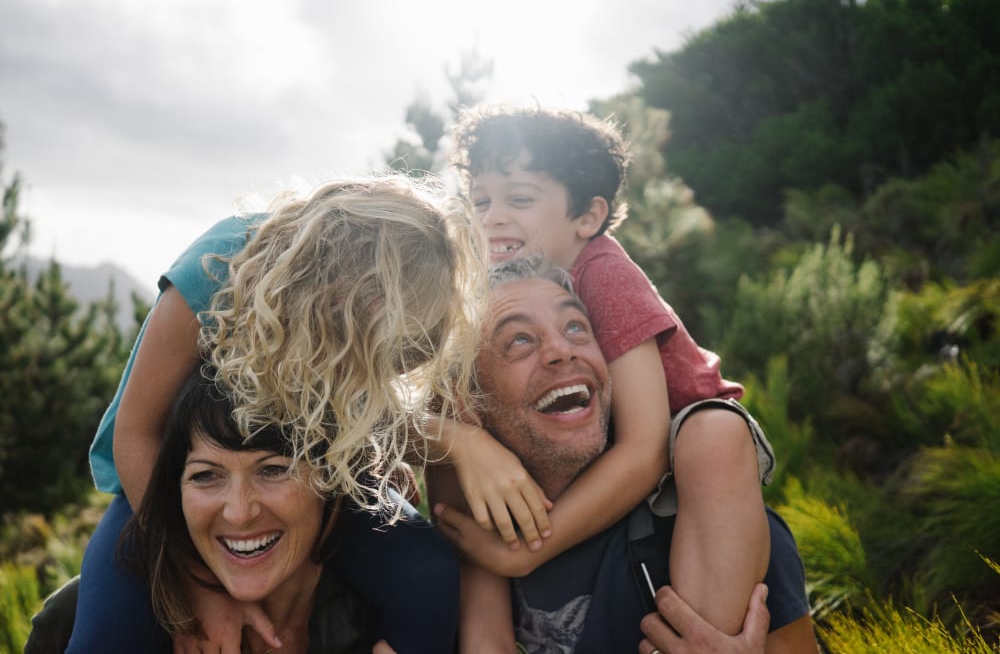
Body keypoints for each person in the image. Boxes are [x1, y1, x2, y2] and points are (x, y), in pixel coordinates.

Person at [67, 176, 484, 654]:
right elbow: (137, 436)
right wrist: (200, 588)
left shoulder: (391, 318)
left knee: (426, 572)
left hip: (308, 480)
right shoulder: (218, 266)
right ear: (334, 278)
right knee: (104, 638)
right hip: (168, 489)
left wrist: (381, 463)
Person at [439, 105, 773, 642]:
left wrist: (528, 553)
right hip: (631, 452)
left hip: (692, 443)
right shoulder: (493, 292)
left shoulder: (604, 274)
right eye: (481, 201)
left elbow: (645, 449)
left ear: (587, 217)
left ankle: (701, 637)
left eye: (519, 199)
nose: (491, 218)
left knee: (711, 438)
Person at [434, 258, 818, 652]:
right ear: (470, 400)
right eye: (519, 340)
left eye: (575, 328)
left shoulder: (715, 524)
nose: (561, 350)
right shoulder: (479, 542)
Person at [124, 364, 378, 653]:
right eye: (205, 475)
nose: (239, 513)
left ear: (331, 477)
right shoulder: (91, 625)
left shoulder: (402, 627)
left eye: (272, 470)